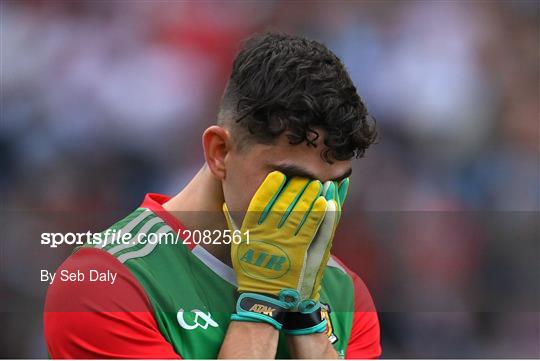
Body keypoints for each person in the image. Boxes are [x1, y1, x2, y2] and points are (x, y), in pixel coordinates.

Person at [44, 32, 381, 359]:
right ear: (219, 152)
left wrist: (306, 322)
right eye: (292, 180)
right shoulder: (103, 284)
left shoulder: (344, 292)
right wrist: (263, 302)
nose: (315, 208)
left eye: (332, 186)